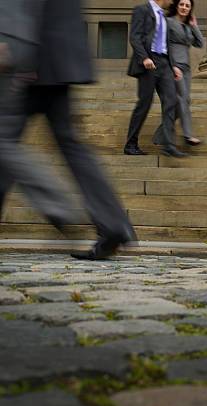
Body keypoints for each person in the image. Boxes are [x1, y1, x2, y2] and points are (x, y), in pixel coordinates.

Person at [1, 0, 137, 260]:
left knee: (5, 141)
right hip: (59, 54)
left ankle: (58, 205)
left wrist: (17, 48)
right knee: (70, 145)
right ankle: (113, 224)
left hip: (30, 54)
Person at [0, 0, 77, 231]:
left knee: (3, 142)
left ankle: (55, 202)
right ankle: (55, 203)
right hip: (18, 44)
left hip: (10, 44)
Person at [124, 0, 187, 158]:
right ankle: (131, 143)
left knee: (172, 101)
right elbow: (135, 37)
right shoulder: (142, 10)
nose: (172, 1)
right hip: (148, 63)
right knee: (144, 102)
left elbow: (166, 45)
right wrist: (144, 57)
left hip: (164, 64)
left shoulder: (164, 17)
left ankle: (168, 145)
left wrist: (173, 66)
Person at [153, 0, 204, 147]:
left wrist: (194, 25)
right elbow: (163, 45)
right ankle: (188, 135)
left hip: (186, 68)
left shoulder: (188, 26)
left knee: (184, 100)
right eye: (182, 4)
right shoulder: (168, 22)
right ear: (177, 6)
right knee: (182, 99)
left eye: (187, 6)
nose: (184, 8)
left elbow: (199, 43)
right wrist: (173, 65)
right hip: (174, 66)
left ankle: (160, 135)